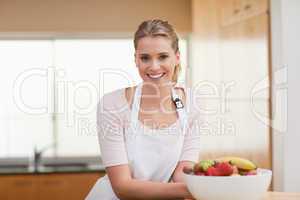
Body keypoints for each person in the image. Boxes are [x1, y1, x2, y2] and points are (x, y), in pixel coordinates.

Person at [86, 19, 201, 200]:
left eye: (163, 56)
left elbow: (181, 174)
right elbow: (122, 188)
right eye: (145, 58)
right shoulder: (112, 104)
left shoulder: (193, 104)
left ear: (177, 57)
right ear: (136, 60)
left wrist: (214, 184)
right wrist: (199, 190)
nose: (154, 66)